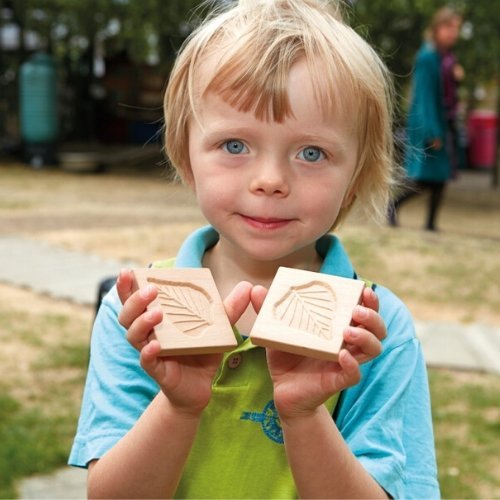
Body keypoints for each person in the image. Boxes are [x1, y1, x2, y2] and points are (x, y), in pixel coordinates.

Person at [69, 1, 439, 498]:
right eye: (235, 146)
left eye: (312, 153)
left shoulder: (373, 331)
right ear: (186, 154)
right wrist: (179, 406)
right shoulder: (140, 313)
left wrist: (305, 414)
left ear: (355, 180)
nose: (269, 181)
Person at [389, 6, 463, 231]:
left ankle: (430, 223)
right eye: (449, 27)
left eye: (457, 29)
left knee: (440, 178)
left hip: (443, 123)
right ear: (438, 28)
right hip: (429, 125)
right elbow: (424, 98)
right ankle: (392, 206)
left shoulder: (445, 58)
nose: (454, 33)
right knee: (422, 178)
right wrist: (432, 131)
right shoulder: (428, 57)